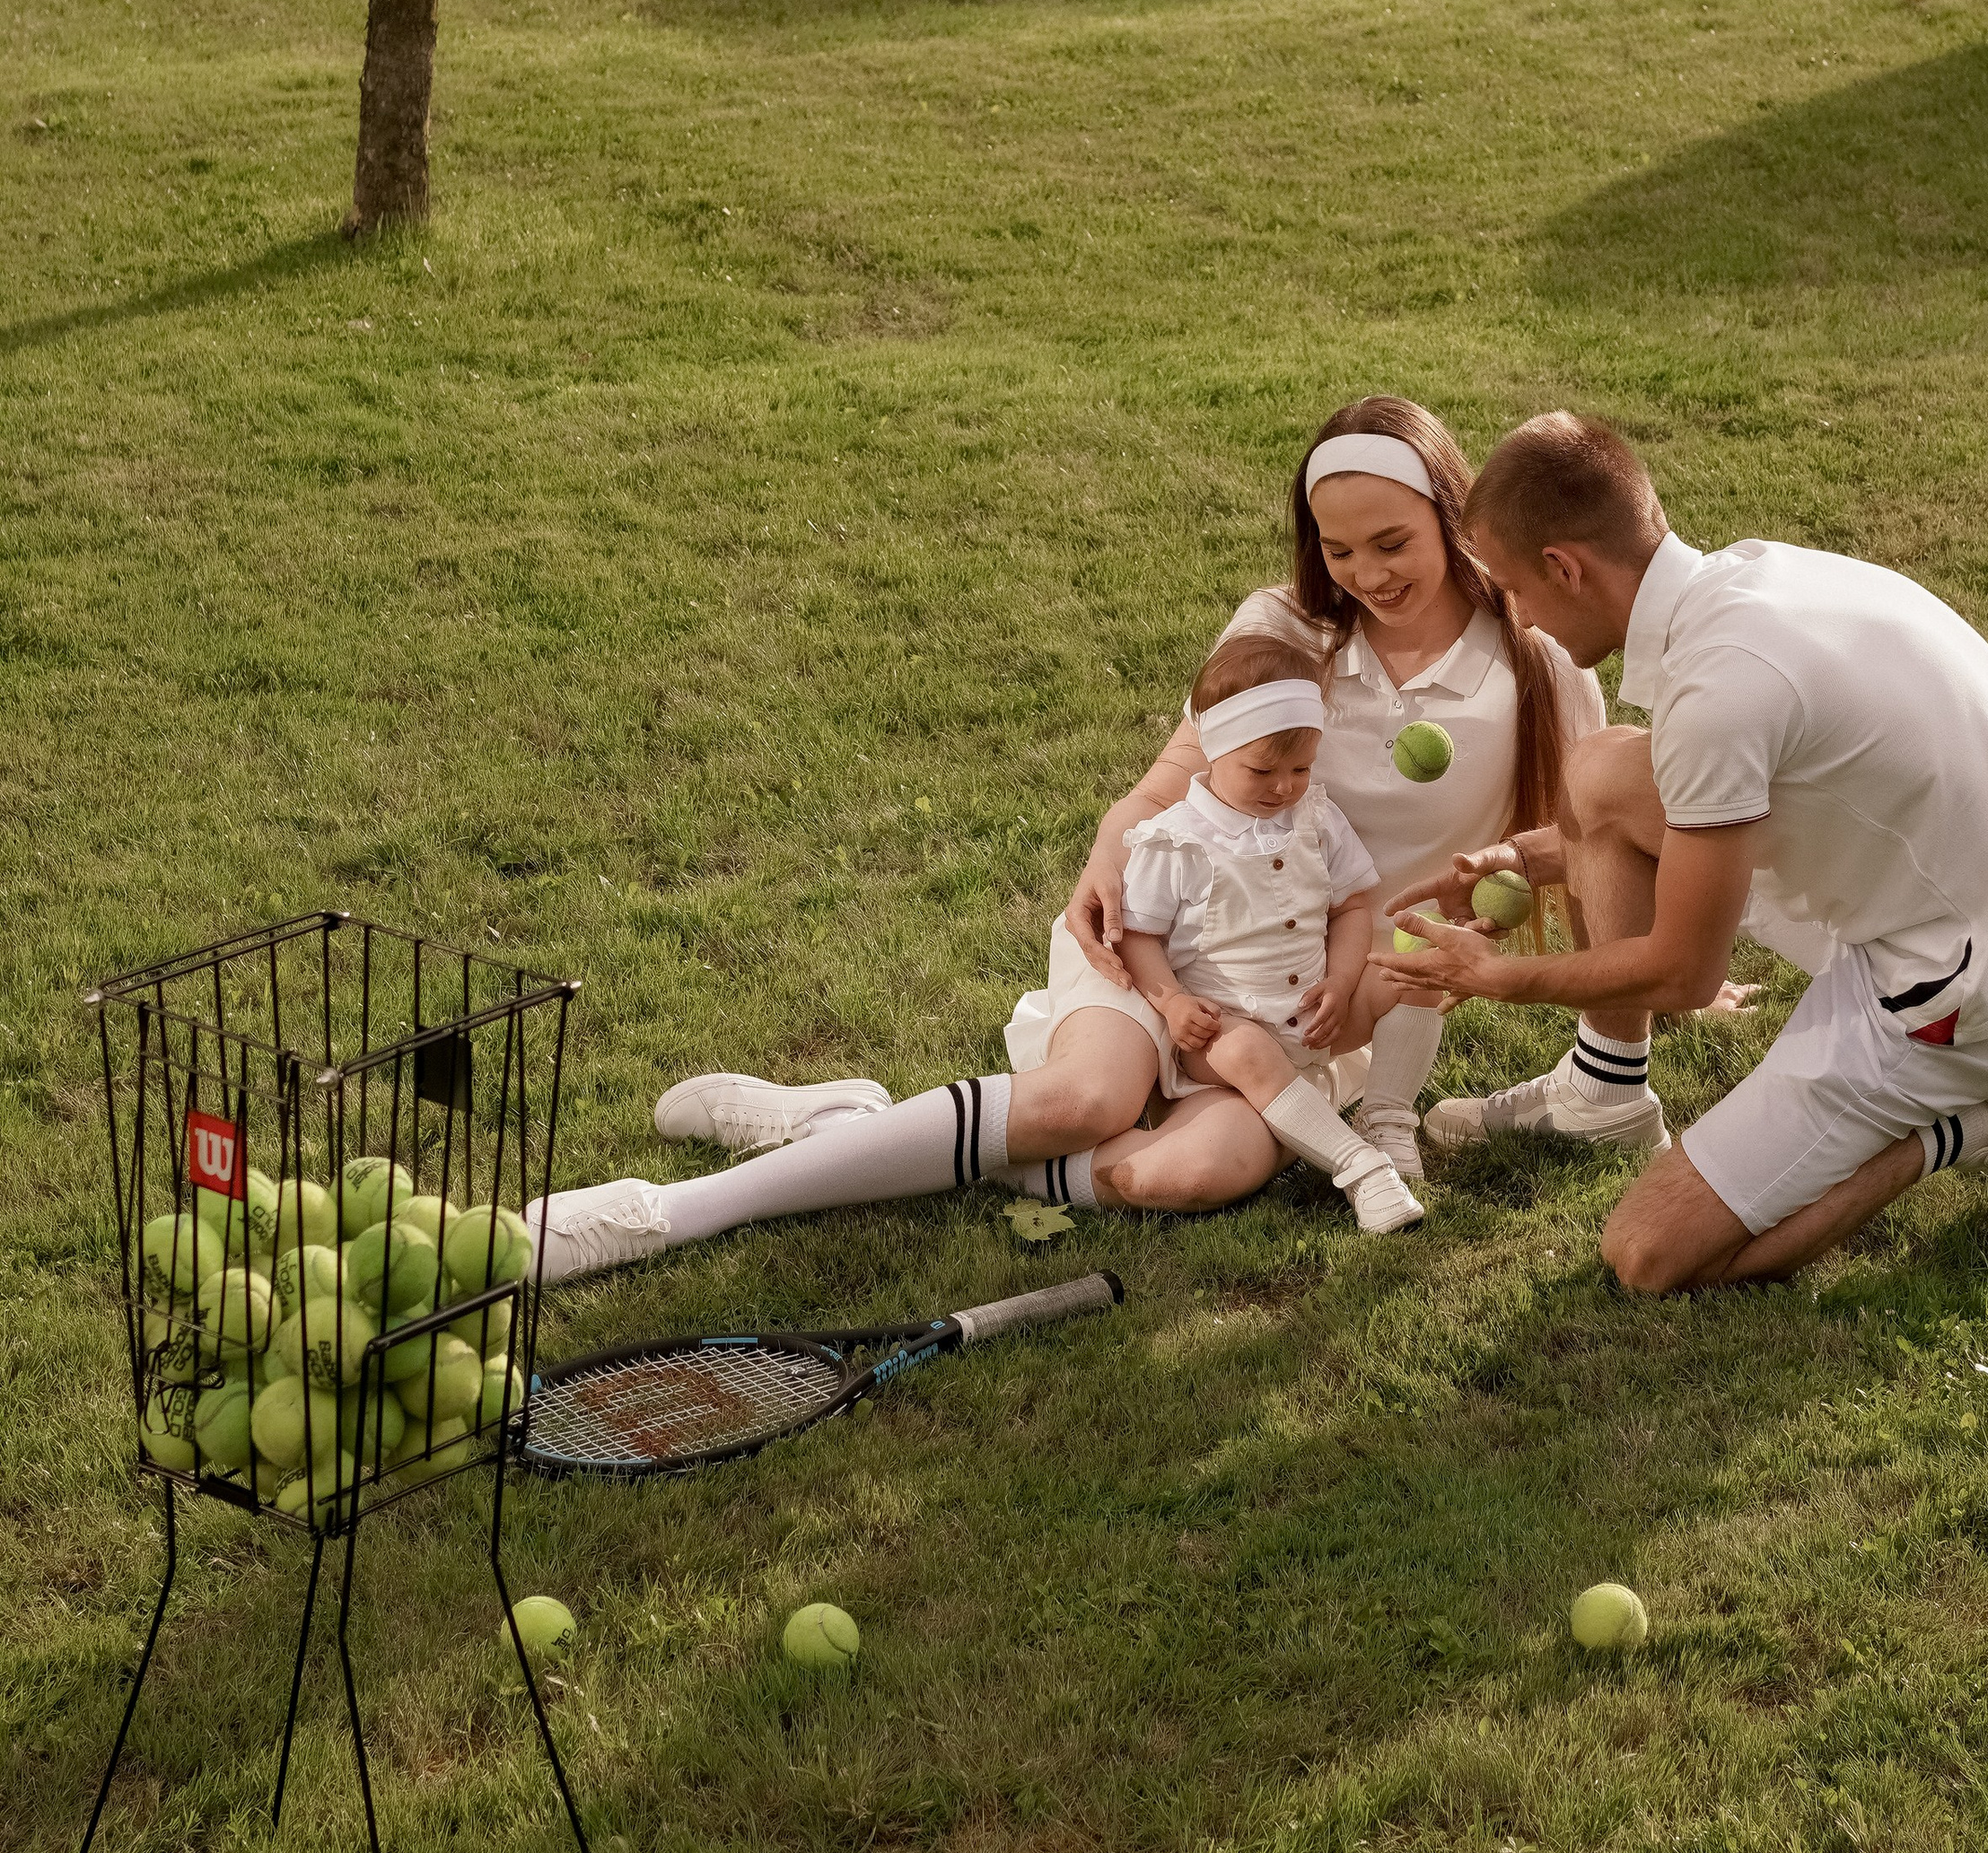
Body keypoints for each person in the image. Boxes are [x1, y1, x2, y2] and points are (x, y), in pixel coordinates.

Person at [523, 396, 1604, 1280]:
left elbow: (1581, 844)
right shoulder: (1282, 632)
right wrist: (1108, 845)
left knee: (1199, 1170)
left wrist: (1597, 958)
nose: (1367, 572)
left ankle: (847, 1127)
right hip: (1167, 934)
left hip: (1310, 1001)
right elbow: (1161, 793)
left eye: (1393, 542)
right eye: (1339, 548)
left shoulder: (1539, 669)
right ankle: (671, 1212)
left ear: (1453, 520)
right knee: (1083, 1103)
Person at [1379, 412, 1988, 1292]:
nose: (1517, 620)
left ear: (1567, 567)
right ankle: (1602, 1093)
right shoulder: (1749, 577)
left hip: (1952, 996)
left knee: (1647, 1255)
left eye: (1516, 591)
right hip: (1975, 897)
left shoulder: (1719, 691)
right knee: (1601, 773)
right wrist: (1529, 862)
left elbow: (1681, 973)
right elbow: (1678, 809)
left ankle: (1979, 1123)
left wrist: (1500, 979)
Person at [1112, 633, 1417, 1237]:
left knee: (1412, 977)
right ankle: (1362, 1171)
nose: (1284, 787)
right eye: (1262, 770)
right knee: (1249, 1050)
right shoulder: (1176, 839)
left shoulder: (1316, 817)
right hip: (1220, 1031)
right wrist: (1172, 1002)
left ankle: (1387, 1119)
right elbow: (1138, 936)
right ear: (1216, 751)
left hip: (1313, 1014)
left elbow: (1354, 905)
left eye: (1300, 768)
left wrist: (1342, 980)